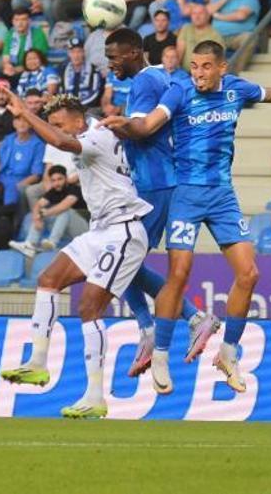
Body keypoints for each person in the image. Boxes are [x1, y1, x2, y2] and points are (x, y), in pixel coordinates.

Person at [102, 40, 271, 394]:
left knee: (249, 273)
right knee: (178, 273)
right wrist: (123, 125)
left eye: (206, 67)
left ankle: (228, 353)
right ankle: (161, 355)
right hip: (186, 195)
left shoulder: (236, 89)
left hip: (222, 196)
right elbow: (148, 125)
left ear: (222, 68)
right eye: (194, 66)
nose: (198, 74)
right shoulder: (178, 91)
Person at [0, 92, 152, 420]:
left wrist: (26, 112)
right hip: (100, 231)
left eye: (61, 124)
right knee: (48, 279)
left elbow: (61, 142)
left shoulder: (96, 135)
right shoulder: (92, 133)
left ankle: (95, 396)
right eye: (54, 124)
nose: (58, 131)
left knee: (89, 307)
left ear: (79, 121)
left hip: (123, 231)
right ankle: (38, 362)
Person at [102, 28, 218, 377]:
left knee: (119, 260)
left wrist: (100, 129)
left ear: (135, 53)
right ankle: (167, 323)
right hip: (158, 184)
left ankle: (182, 321)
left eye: (115, 57)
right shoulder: (159, 79)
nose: (111, 65)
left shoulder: (144, 83)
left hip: (156, 185)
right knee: (122, 262)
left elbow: (141, 129)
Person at [9, 164, 89, 256]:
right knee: (40, 212)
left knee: (63, 211)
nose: (57, 183)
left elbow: (64, 206)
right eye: (53, 180)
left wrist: (44, 213)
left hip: (82, 230)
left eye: (60, 179)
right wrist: (36, 218)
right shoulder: (53, 191)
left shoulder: (74, 189)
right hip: (66, 230)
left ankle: (52, 242)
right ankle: (30, 244)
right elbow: (38, 205)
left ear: (66, 178)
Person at [207, 0, 260, 73]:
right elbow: (209, 10)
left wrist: (219, 16)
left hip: (238, 35)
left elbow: (241, 16)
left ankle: (235, 74)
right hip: (218, 35)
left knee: (249, 39)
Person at [1, 8, 49, 83]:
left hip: (31, 69)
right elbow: (6, 57)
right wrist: (7, 66)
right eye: (16, 20)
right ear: (12, 22)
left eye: (23, 20)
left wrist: (17, 69)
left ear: (29, 21)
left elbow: (37, 61)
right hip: (14, 70)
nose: (20, 23)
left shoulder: (38, 33)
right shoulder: (10, 34)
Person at [176, 3, 224, 68]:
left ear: (207, 16)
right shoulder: (186, 28)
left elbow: (216, 60)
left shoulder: (215, 35)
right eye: (194, 13)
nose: (197, 16)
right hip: (184, 73)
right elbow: (179, 53)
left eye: (201, 13)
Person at [60, 37, 103, 108]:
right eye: (73, 52)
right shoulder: (63, 69)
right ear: (68, 54)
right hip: (68, 107)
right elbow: (61, 91)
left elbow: (95, 93)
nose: (76, 56)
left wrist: (78, 107)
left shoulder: (94, 69)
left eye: (79, 51)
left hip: (88, 107)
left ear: (84, 53)